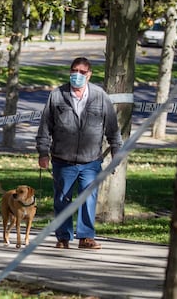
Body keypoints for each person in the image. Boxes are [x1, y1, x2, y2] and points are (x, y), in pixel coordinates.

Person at [36, 57, 122, 250]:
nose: (78, 75)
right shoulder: (57, 95)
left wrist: (117, 152)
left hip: (90, 160)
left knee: (88, 198)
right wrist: (42, 152)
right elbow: (44, 127)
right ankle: (63, 237)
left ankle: (86, 237)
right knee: (62, 200)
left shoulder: (100, 96)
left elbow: (112, 129)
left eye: (82, 72)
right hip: (62, 159)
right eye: (75, 70)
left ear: (89, 74)